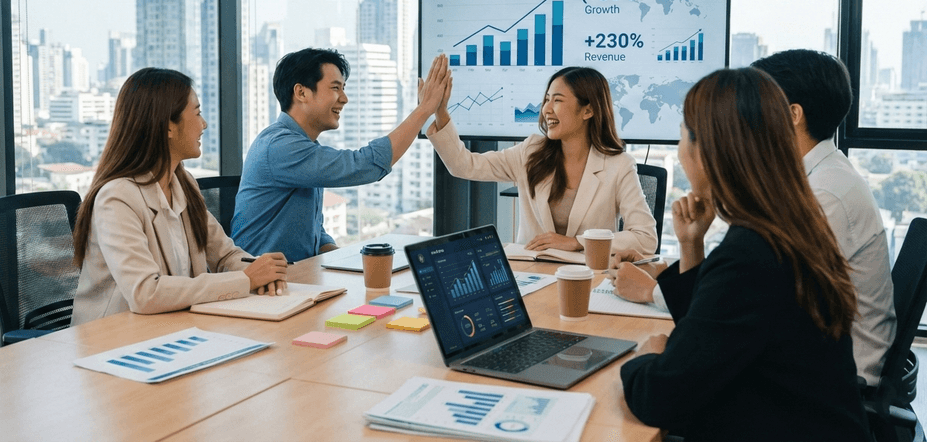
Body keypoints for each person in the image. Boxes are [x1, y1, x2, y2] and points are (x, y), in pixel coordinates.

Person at [612, 49, 895, 388]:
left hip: (819, 390)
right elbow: (733, 303)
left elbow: (734, 302)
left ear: (788, 115)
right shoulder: (806, 187)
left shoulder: (822, 196)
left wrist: (645, 350)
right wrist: (691, 247)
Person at [71, 68, 288, 325]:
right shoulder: (117, 198)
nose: (204, 124)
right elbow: (145, 293)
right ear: (168, 127)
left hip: (172, 327)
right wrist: (247, 279)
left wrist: (262, 270)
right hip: (113, 339)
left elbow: (224, 256)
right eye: (197, 113)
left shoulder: (184, 185)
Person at [232, 48, 451, 262]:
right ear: (301, 92)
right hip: (263, 288)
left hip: (298, 278)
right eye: (336, 88)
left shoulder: (303, 146)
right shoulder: (280, 147)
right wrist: (424, 109)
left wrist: (342, 260)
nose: (344, 98)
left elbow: (312, 233)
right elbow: (365, 165)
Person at [426, 64, 657, 255]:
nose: (546, 109)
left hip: (586, 278)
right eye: (546, 99)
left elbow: (645, 238)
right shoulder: (530, 152)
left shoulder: (619, 165)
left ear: (588, 111)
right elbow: (463, 165)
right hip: (530, 273)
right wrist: (441, 112)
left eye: (557, 100)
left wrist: (578, 242)